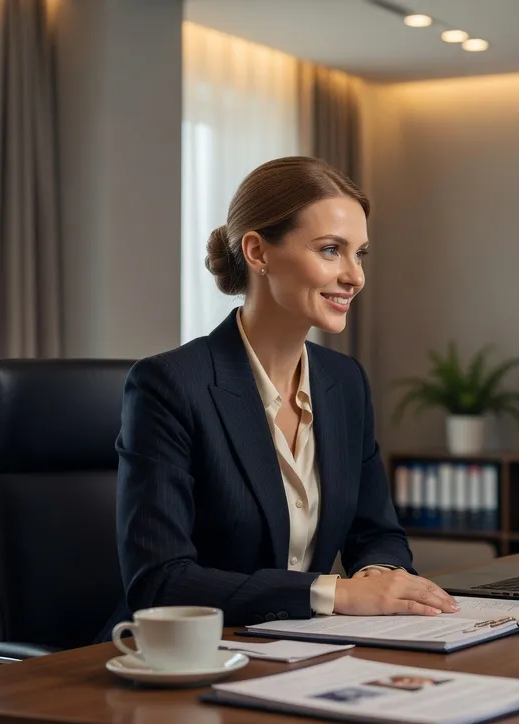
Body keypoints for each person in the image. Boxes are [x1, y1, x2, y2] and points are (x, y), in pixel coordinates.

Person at [105, 157, 458, 636]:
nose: (355, 276)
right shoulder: (168, 386)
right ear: (257, 251)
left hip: (300, 651)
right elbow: (160, 582)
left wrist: (378, 574)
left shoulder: (344, 381)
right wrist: (335, 592)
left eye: (360, 254)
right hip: (185, 659)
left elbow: (376, 532)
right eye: (331, 250)